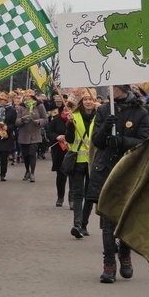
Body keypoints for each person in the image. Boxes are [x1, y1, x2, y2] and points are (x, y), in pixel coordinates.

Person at [87, 84, 149, 283]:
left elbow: (144, 141)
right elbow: (97, 141)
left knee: (125, 219)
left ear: (122, 89)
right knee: (107, 220)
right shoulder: (104, 110)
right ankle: (109, 264)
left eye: (113, 87)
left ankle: (124, 253)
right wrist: (106, 127)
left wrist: (122, 141)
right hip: (105, 170)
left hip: (129, 173)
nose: (109, 89)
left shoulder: (140, 112)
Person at [65, 91, 98, 238]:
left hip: (93, 161)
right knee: (78, 194)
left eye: (90, 99)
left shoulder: (100, 117)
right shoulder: (74, 115)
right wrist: (71, 124)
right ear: (81, 101)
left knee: (90, 195)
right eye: (85, 99)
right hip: (77, 161)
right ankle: (77, 224)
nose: (88, 102)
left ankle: (84, 224)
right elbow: (70, 139)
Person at [15, 89, 48, 182]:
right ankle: (27, 171)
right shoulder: (21, 107)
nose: (26, 98)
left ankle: (32, 173)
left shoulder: (39, 106)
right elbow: (17, 121)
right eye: (25, 96)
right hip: (24, 134)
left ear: (33, 97)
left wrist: (39, 121)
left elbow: (45, 119)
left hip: (35, 134)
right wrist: (22, 120)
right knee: (25, 154)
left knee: (32, 153)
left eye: (28, 96)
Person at [46, 94, 70, 207]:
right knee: (61, 174)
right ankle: (60, 197)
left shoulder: (76, 119)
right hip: (59, 150)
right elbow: (49, 132)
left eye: (69, 108)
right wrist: (57, 137)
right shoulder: (56, 119)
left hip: (74, 151)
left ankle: (72, 199)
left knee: (74, 176)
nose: (67, 110)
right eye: (65, 108)